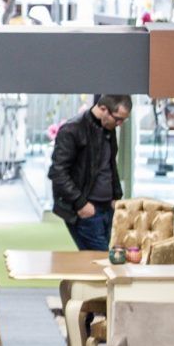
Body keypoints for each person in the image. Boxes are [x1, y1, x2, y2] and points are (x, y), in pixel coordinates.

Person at [49, 94, 132, 250]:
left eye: (123, 120)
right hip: (86, 210)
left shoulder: (108, 127)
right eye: (118, 119)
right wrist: (81, 203)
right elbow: (57, 172)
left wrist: (116, 196)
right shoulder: (72, 130)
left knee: (102, 262)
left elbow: (110, 165)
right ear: (103, 109)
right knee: (100, 264)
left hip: (107, 207)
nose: (120, 124)